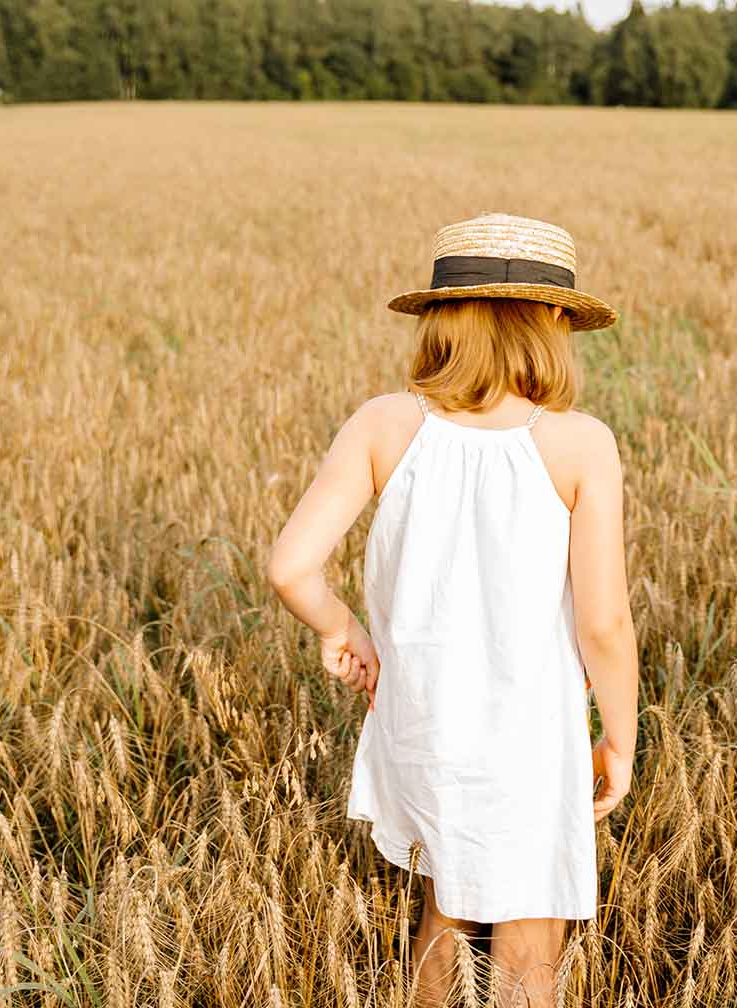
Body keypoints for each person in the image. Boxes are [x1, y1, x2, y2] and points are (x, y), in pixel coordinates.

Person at [267, 213, 639, 1006]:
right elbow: (603, 624)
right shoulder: (579, 444)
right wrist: (619, 737)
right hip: (529, 740)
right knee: (530, 941)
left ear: (442, 318)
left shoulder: (383, 423)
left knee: (445, 905)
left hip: (422, 725)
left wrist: (340, 628)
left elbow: (292, 566)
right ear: (550, 322)